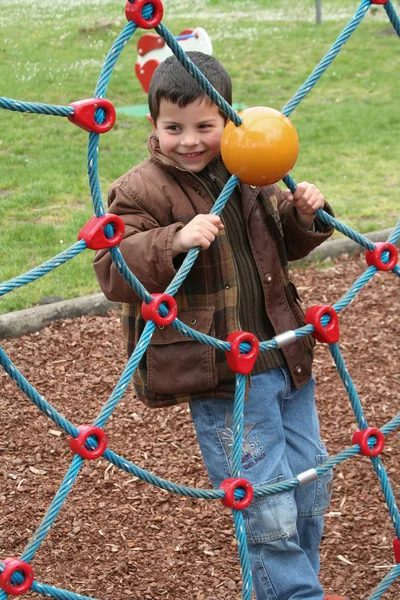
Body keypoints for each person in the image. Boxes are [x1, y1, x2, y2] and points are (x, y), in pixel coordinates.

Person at [94, 52, 348, 600]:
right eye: (173, 128)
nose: (189, 140)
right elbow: (112, 268)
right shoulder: (140, 190)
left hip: (284, 357)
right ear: (154, 126)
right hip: (223, 374)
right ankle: (295, 594)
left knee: (310, 482)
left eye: (205, 126)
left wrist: (302, 216)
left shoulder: (249, 167)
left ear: (229, 122)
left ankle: (292, 582)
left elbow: (279, 244)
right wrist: (174, 241)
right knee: (265, 502)